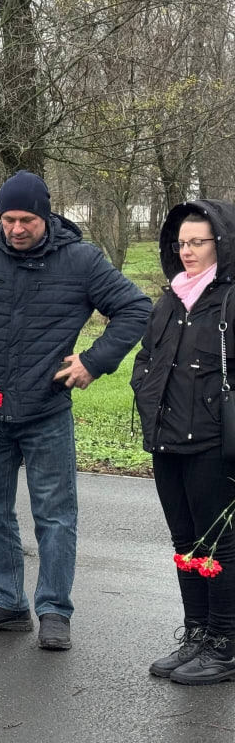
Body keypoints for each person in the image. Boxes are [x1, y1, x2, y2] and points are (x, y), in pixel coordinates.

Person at [0, 170, 151, 649]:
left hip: (46, 411)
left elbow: (136, 308)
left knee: (55, 516)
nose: (16, 228)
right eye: (8, 219)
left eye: (27, 219)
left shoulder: (80, 260)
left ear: (46, 215)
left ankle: (54, 609)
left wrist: (94, 363)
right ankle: (6, 601)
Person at [132, 200, 235, 685]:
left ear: (222, 244)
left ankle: (225, 642)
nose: (188, 251)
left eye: (199, 242)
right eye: (182, 243)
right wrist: (144, 397)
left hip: (214, 445)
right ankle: (197, 633)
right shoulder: (171, 298)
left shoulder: (230, 299)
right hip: (167, 441)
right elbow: (147, 361)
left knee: (220, 547)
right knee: (187, 544)